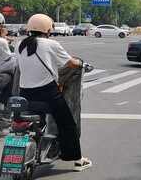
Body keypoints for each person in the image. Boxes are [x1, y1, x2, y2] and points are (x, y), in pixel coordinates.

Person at [16, 14, 92, 171]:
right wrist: (82, 63)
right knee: (67, 124)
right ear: (48, 29)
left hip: (24, 93)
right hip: (47, 93)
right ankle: (77, 159)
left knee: (33, 118)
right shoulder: (51, 44)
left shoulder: (19, 45)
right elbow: (70, 63)